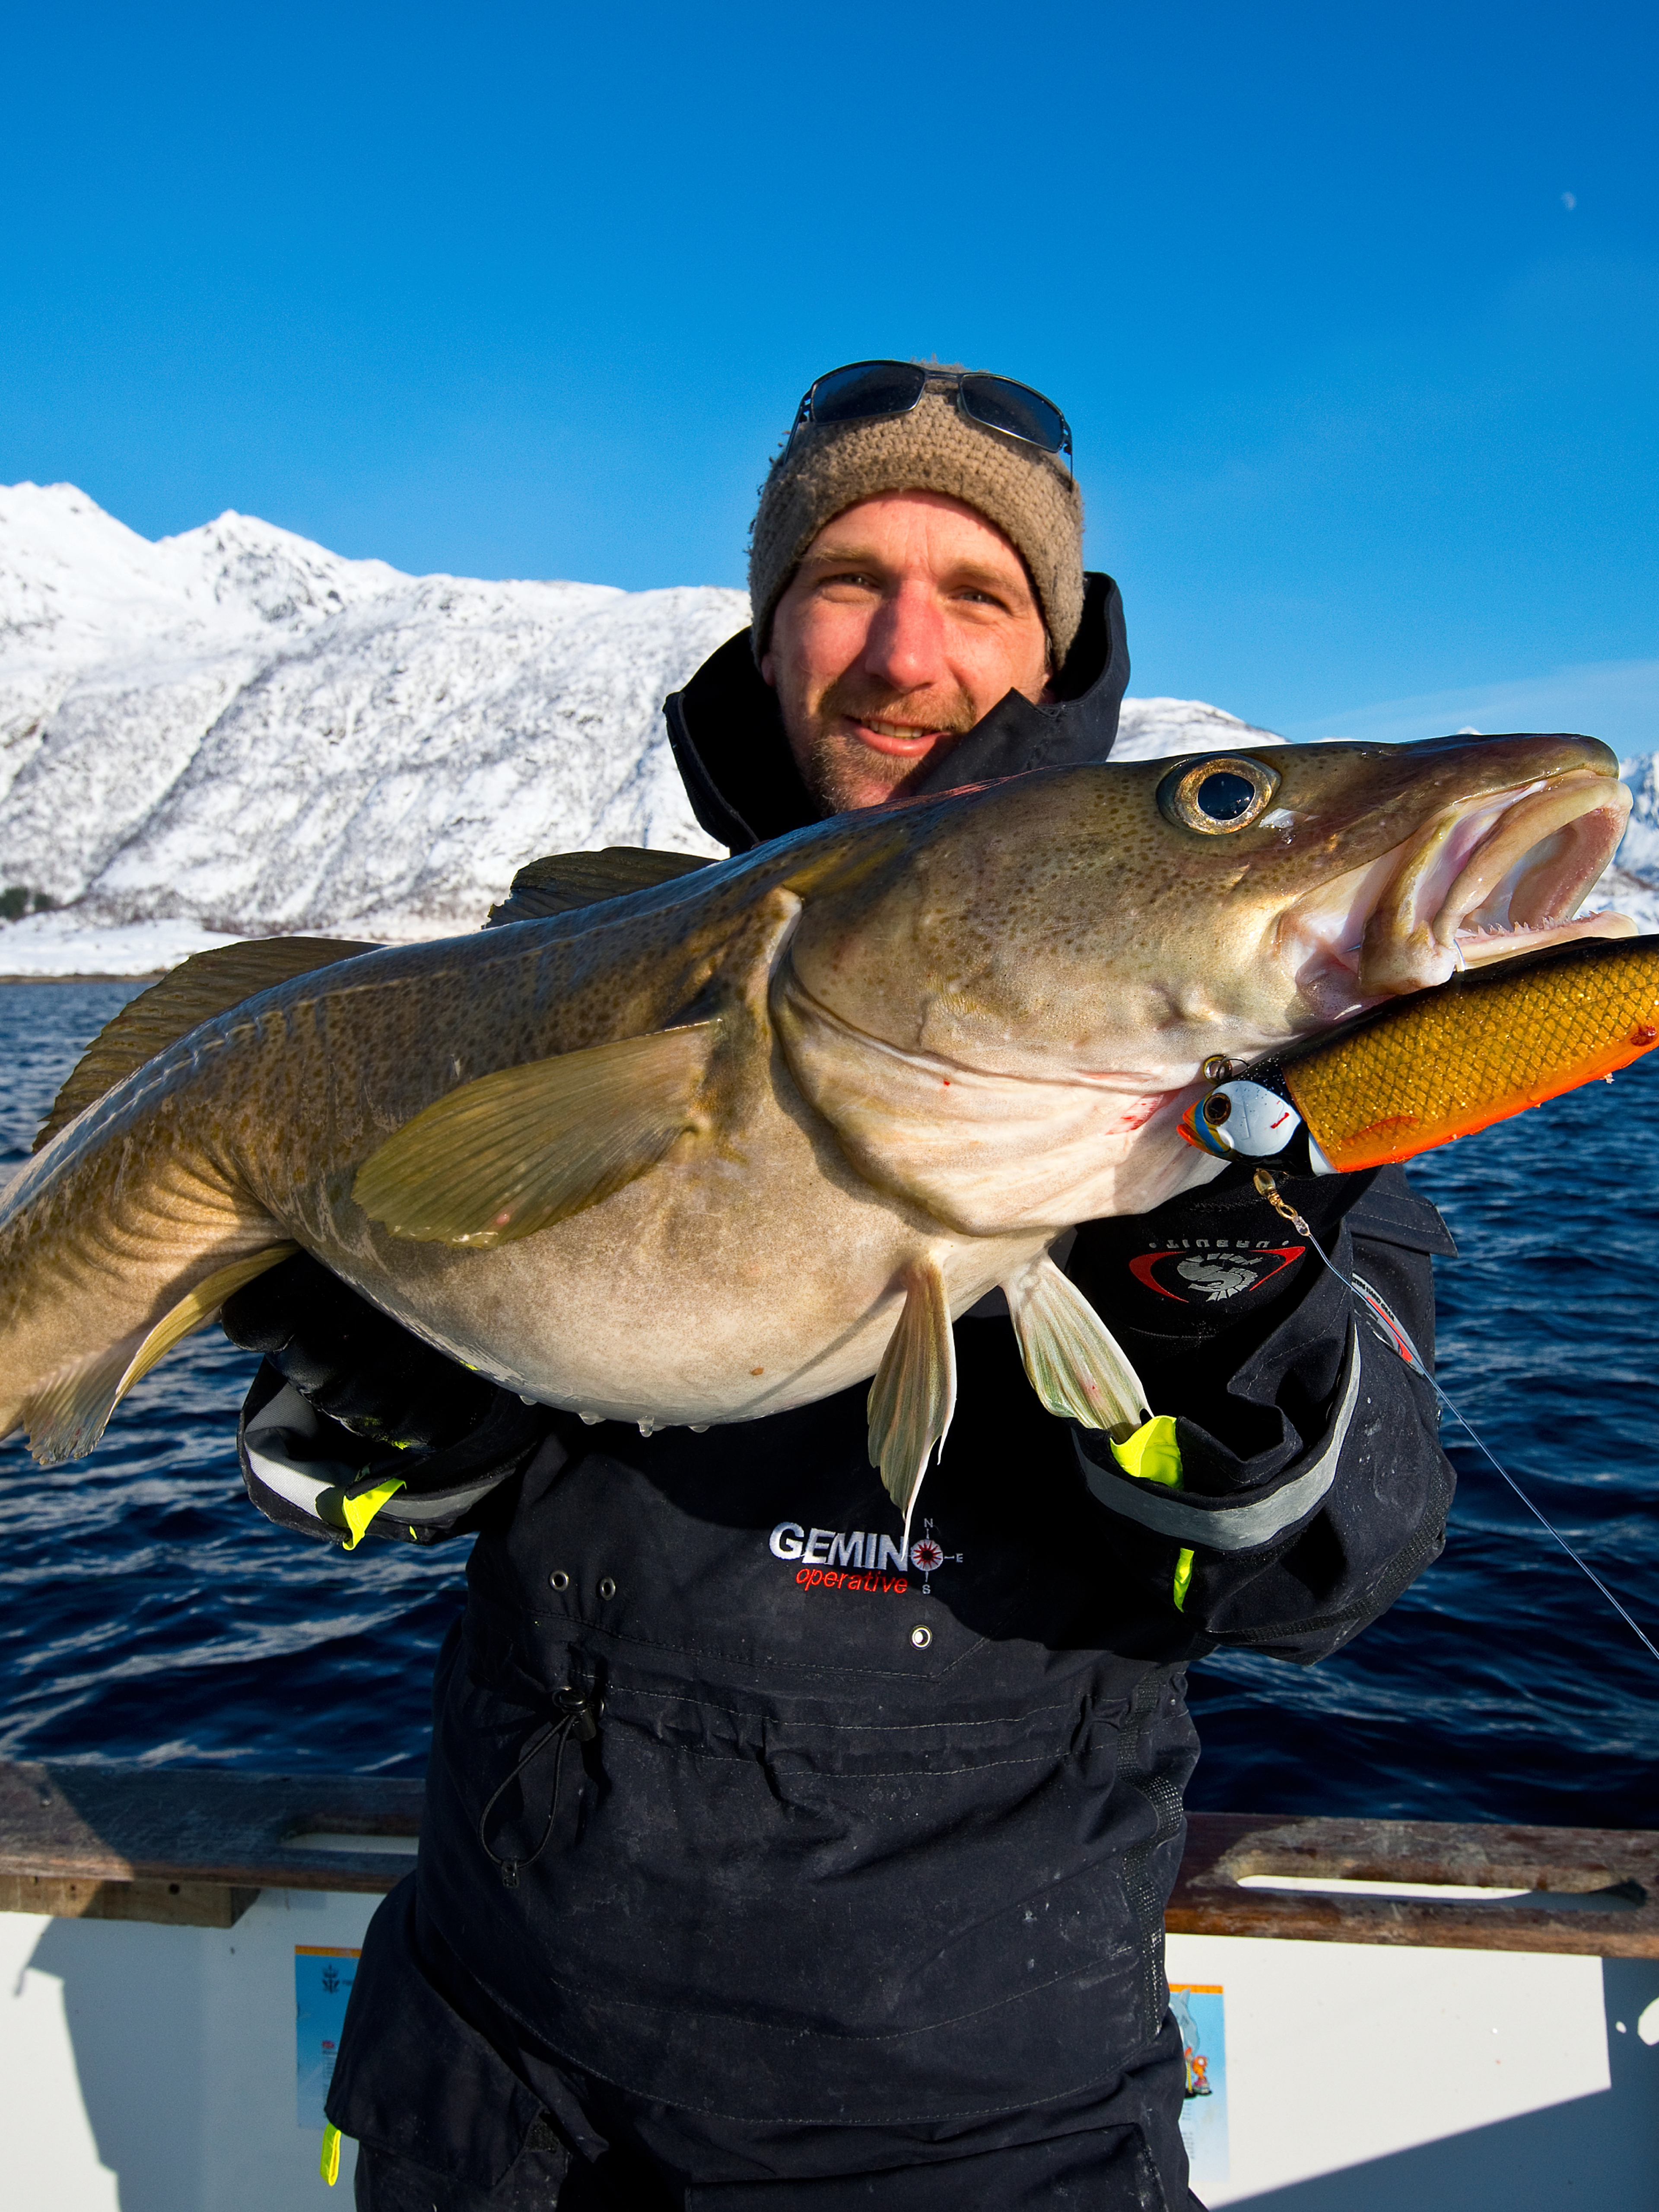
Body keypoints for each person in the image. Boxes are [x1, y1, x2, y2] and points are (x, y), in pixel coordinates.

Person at [224, 361, 1457, 2210]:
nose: (904, 649)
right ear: (769, 628)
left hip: (982, 2130)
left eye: (978, 594)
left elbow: (1337, 1563)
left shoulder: (1273, 1069)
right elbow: (342, 1489)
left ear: (1052, 654)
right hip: (491, 2085)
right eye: (845, 581)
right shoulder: (571, 965)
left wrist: (1230, 1328)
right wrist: (385, 1370)